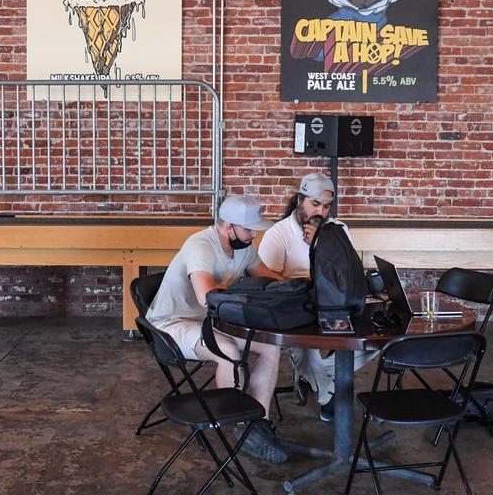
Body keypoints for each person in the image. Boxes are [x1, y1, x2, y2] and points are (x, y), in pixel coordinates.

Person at [145, 194, 289, 463]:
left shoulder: (243, 245)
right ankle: (238, 427)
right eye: (249, 230)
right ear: (229, 226)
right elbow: (206, 296)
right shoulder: (201, 245)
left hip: (207, 321)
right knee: (228, 350)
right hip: (170, 325)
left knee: (270, 345)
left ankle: (259, 425)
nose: (253, 236)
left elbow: (268, 276)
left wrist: (296, 285)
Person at [258, 172, 375, 421]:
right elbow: (267, 284)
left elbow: (349, 272)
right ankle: (328, 396)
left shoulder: (338, 229)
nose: (320, 212)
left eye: (326, 206)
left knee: (375, 341)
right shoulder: (278, 234)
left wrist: (323, 243)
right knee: (307, 351)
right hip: (298, 310)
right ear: (300, 200)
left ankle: (310, 376)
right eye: (315, 204)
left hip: (335, 305)